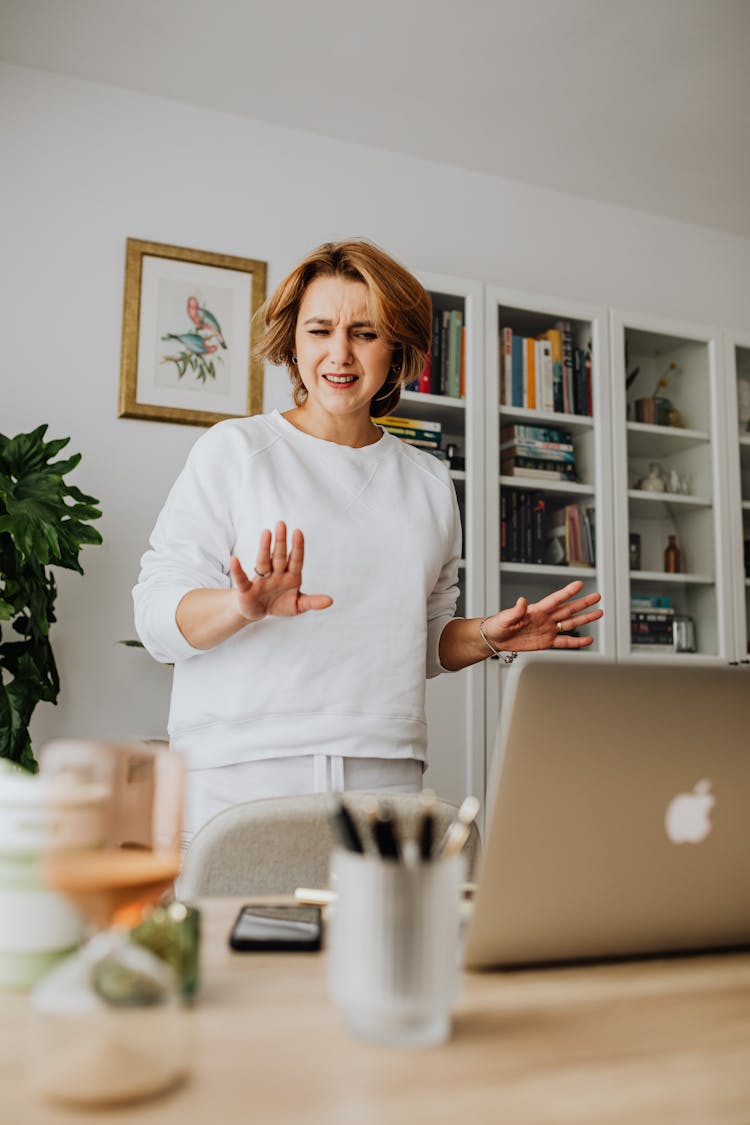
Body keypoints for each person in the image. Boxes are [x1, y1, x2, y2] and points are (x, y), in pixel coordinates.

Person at [133, 239, 603, 848]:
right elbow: (154, 618)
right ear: (293, 343)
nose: (339, 353)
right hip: (241, 779)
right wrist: (240, 606)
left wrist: (488, 635)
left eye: (365, 333)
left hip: (386, 779)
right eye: (320, 330)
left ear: (397, 349)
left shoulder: (430, 482)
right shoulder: (235, 451)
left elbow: (422, 640)